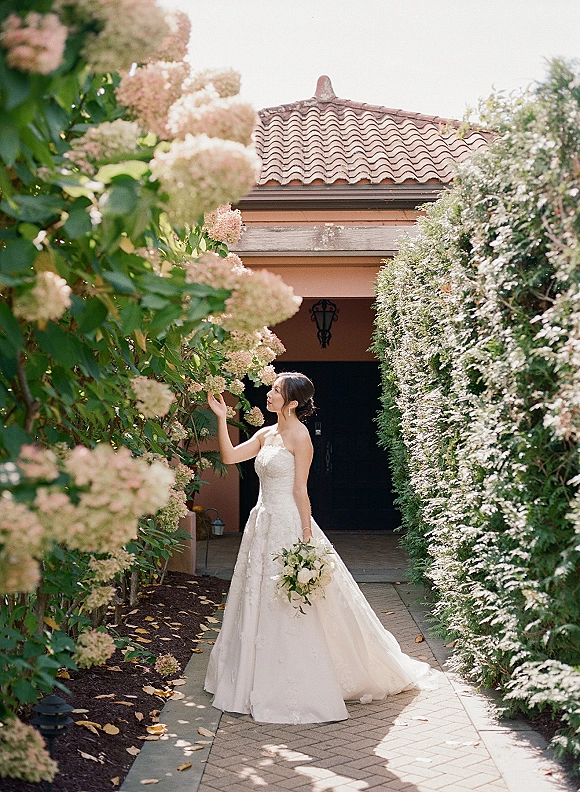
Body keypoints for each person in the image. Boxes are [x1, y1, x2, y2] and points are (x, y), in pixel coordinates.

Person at [204, 371, 439, 724]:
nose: (268, 395)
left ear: (293, 403)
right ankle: (250, 675)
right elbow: (229, 457)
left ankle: (299, 675)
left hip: (288, 523)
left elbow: (300, 490)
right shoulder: (267, 433)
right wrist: (222, 419)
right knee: (256, 595)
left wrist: (305, 535)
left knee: (291, 598)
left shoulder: (300, 437)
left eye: (275, 391)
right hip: (262, 521)